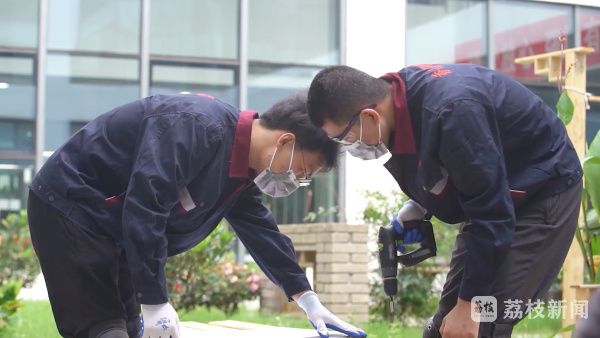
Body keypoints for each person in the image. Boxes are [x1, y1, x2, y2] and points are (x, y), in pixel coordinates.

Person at [27, 91, 367, 338]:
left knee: (132, 330)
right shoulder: (197, 125)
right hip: (70, 207)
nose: (295, 181)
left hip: (113, 229)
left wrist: (306, 298)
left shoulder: (240, 172)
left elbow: (263, 233)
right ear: (285, 141)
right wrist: (155, 301)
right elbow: (147, 206)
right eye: (301, 170)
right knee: (102, 328)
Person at [307, 64, 583, 338]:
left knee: (482, 321)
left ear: (369, 116)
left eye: (346, 138)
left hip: (542, 191)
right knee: (442, 329)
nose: (351, 148)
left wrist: (469, 306)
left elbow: (493, 215)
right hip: (493, 198)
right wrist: (418, 205)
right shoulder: (399, 101)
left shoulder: (453, 109)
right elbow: (453, 165)